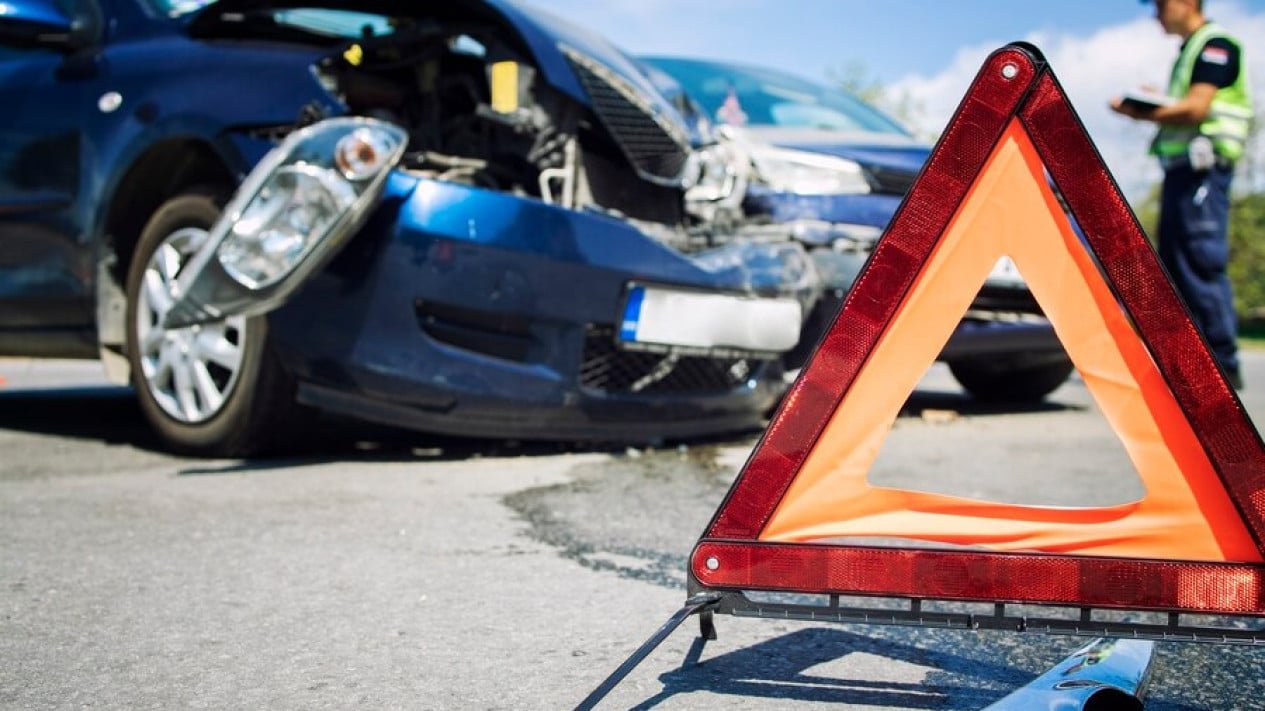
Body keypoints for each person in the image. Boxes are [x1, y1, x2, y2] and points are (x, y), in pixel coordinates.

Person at [1111, 0, 1254, 390]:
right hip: (1184, 174)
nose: (1155, 13)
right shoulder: (1191, 50)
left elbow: (1196, 109)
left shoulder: (1214, 45)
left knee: (1199, 261)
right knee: (1177, 262)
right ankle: (1193, 365)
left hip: (1202, 172)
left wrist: (1140, 112)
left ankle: (1221, 367)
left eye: (1160, 4)